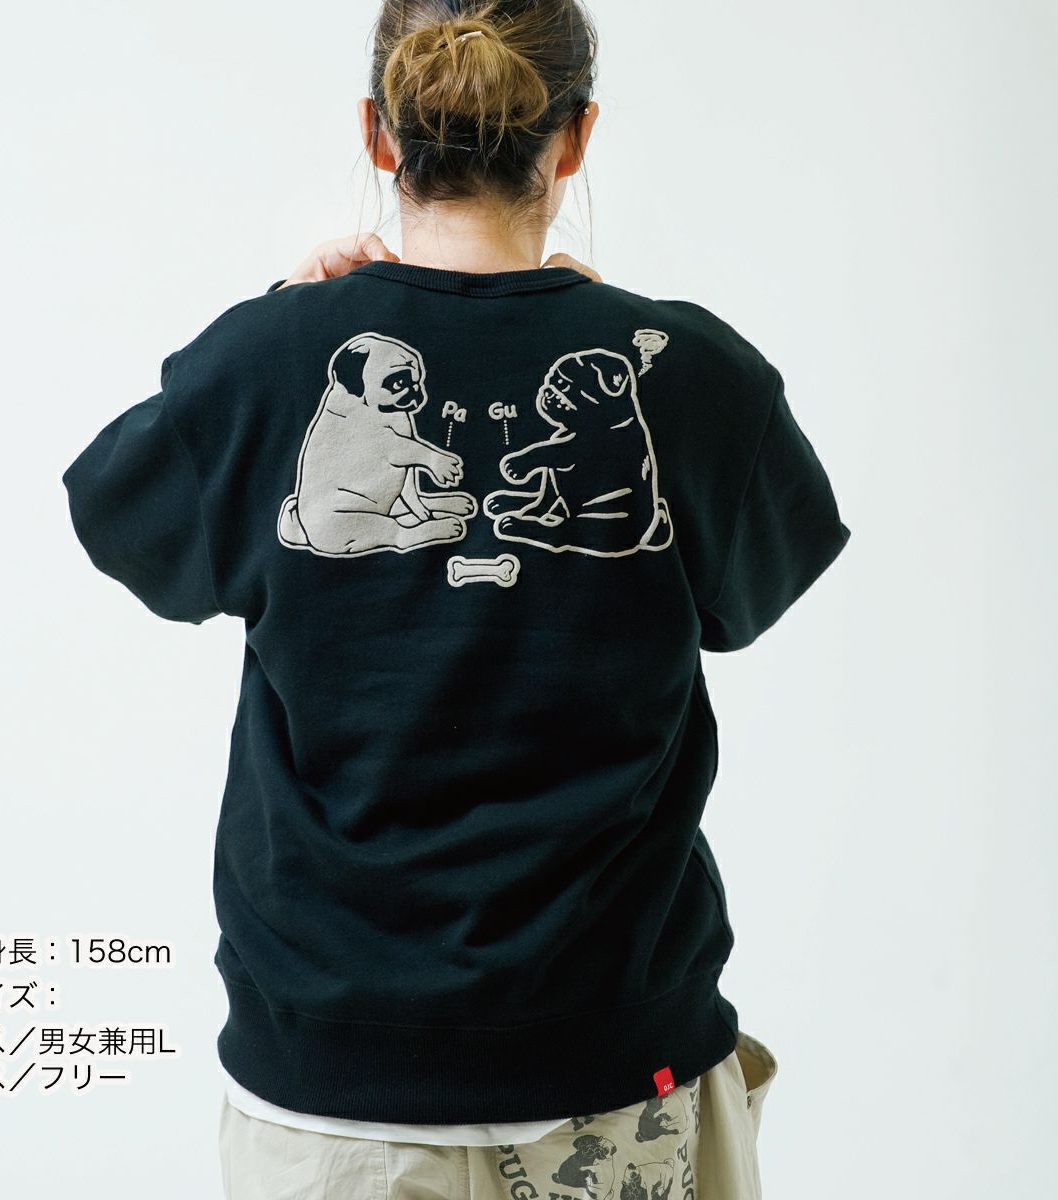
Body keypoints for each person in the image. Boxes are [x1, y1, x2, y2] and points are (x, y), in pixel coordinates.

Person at [61, 1, 850, 1195]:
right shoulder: (696, 375)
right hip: (615, 1067)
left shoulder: (273, 360)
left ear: (379, 135)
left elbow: (120, 516)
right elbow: (758, 587)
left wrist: (283, 316)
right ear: (575, 139)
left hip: (333, 1094)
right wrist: (614, 336)